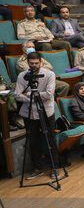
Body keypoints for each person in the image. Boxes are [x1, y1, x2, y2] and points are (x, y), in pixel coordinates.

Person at [15, 52, 61, 180]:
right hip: (29, 112)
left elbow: (49, 94)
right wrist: (34, 96)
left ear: (40, 62)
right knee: (33, 141)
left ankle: (54, 167)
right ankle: (37, 168)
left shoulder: (49, 74)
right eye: (31, 64)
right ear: (28, 63)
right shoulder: (22, 76)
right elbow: (17, 95)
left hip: (46, 111)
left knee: (50, 138)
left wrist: (28, 95)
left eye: (36, 63)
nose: (34, 66)